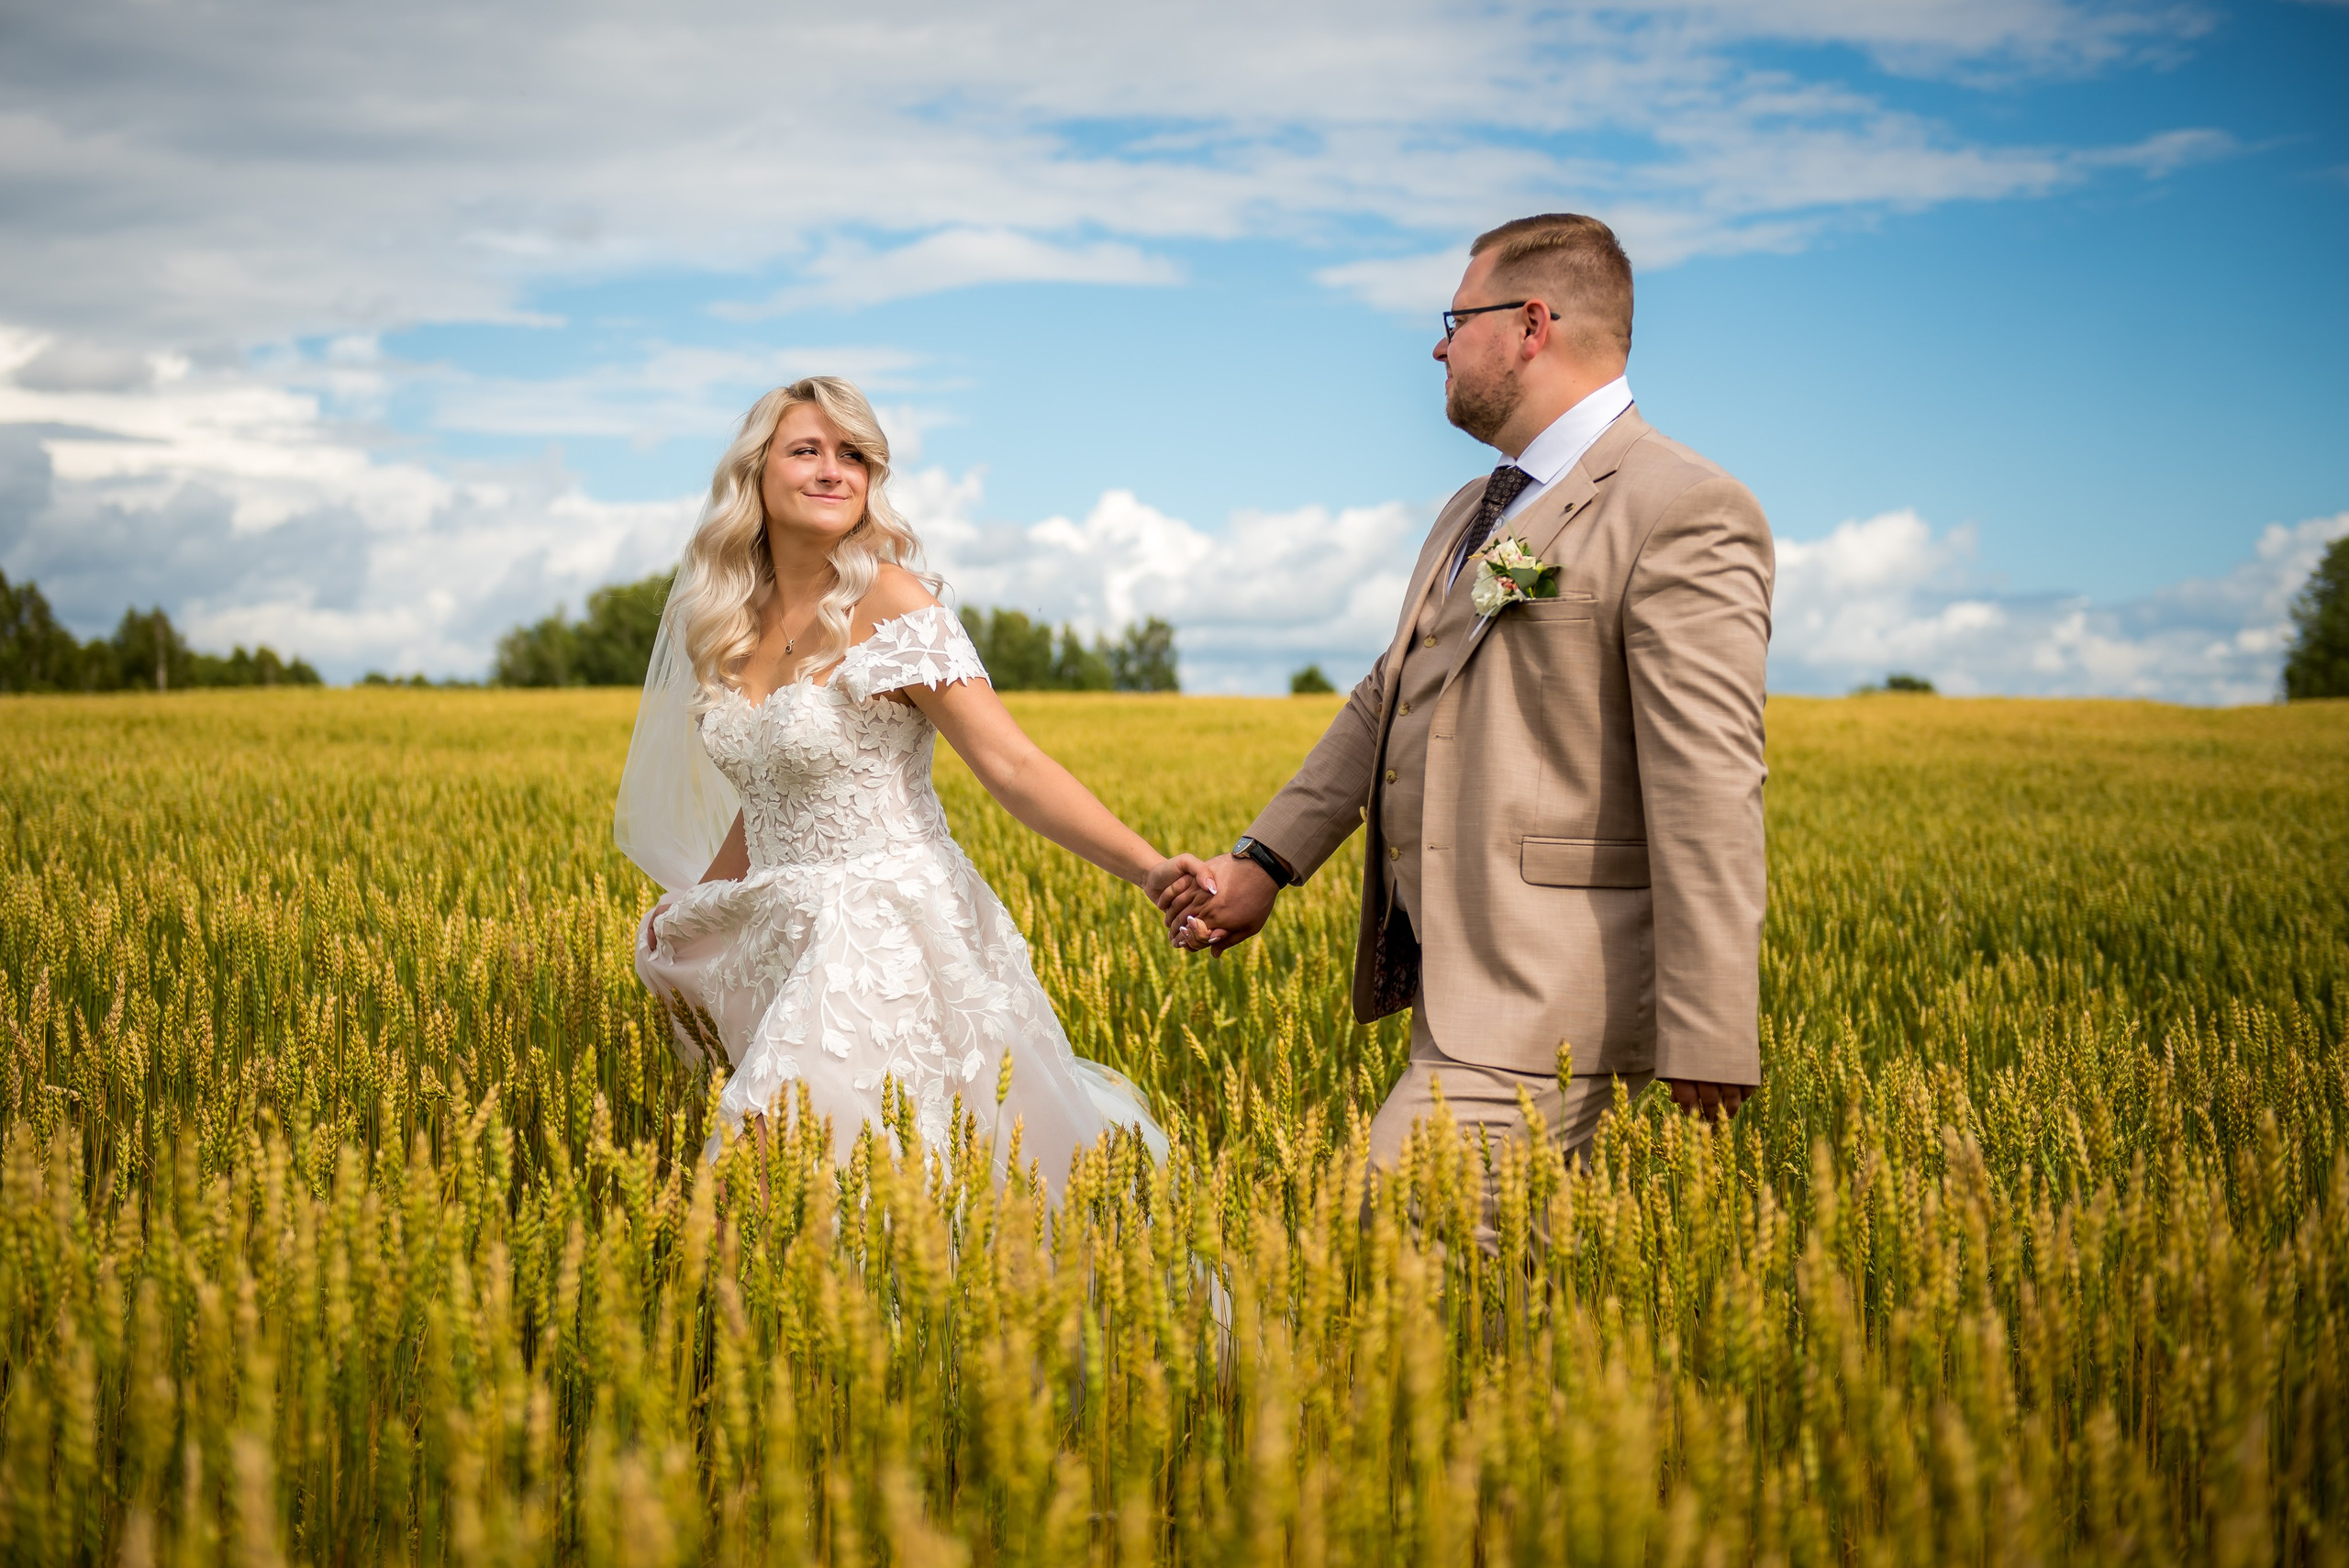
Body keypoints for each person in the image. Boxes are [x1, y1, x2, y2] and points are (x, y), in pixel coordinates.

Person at [1151, 213, 1773, 1186]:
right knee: (1460, 1316)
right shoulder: (1480, 508)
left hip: (1548, 1004)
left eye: (1455, 316)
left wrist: (1712, 1027)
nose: (1438, 344)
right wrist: (1265, 861)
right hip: (1456, 988)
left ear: (1531, 324)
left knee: (1373, 1266)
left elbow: (1708, 779)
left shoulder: (1678, 506)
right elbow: (1394, 692)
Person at [617, 376, 1174, 1186]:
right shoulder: (730, 620)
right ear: (756, 475)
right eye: (806, 450)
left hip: (881, 934)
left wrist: (1153, 871)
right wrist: (698, 909)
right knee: (828, 1192)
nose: (833, 470)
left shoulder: (891, 600)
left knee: (775, 1165)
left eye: (854, 456)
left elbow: (1013, 765)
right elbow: (773, 796)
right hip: (785, 930)